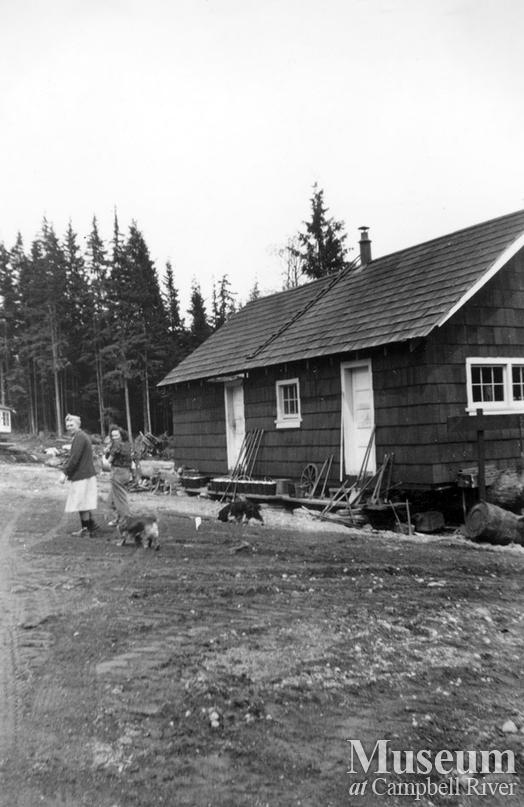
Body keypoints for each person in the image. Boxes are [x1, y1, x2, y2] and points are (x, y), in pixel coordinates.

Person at [59, 414, 99, 536]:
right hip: (86, 474)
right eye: (67, 426)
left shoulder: (79, 437)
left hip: (82, 475)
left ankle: (86, 529)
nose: (69, 427)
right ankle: (91, 524)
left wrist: (64, 472)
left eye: (72, 425)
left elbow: (75, 458)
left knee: (82, 503)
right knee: (84, 501)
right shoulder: (81, 436)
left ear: (78, 425)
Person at [104, 425, 134, 519]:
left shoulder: (117, 445)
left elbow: (108, 460)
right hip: (126, 472)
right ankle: (117, 518)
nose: (114, 438)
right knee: (112, 498)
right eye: (113, 436)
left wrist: (107, 450)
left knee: (120, 499)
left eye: (116, 435)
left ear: (121, 435)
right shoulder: (127, 444)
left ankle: (126, 519)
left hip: (118, 472)